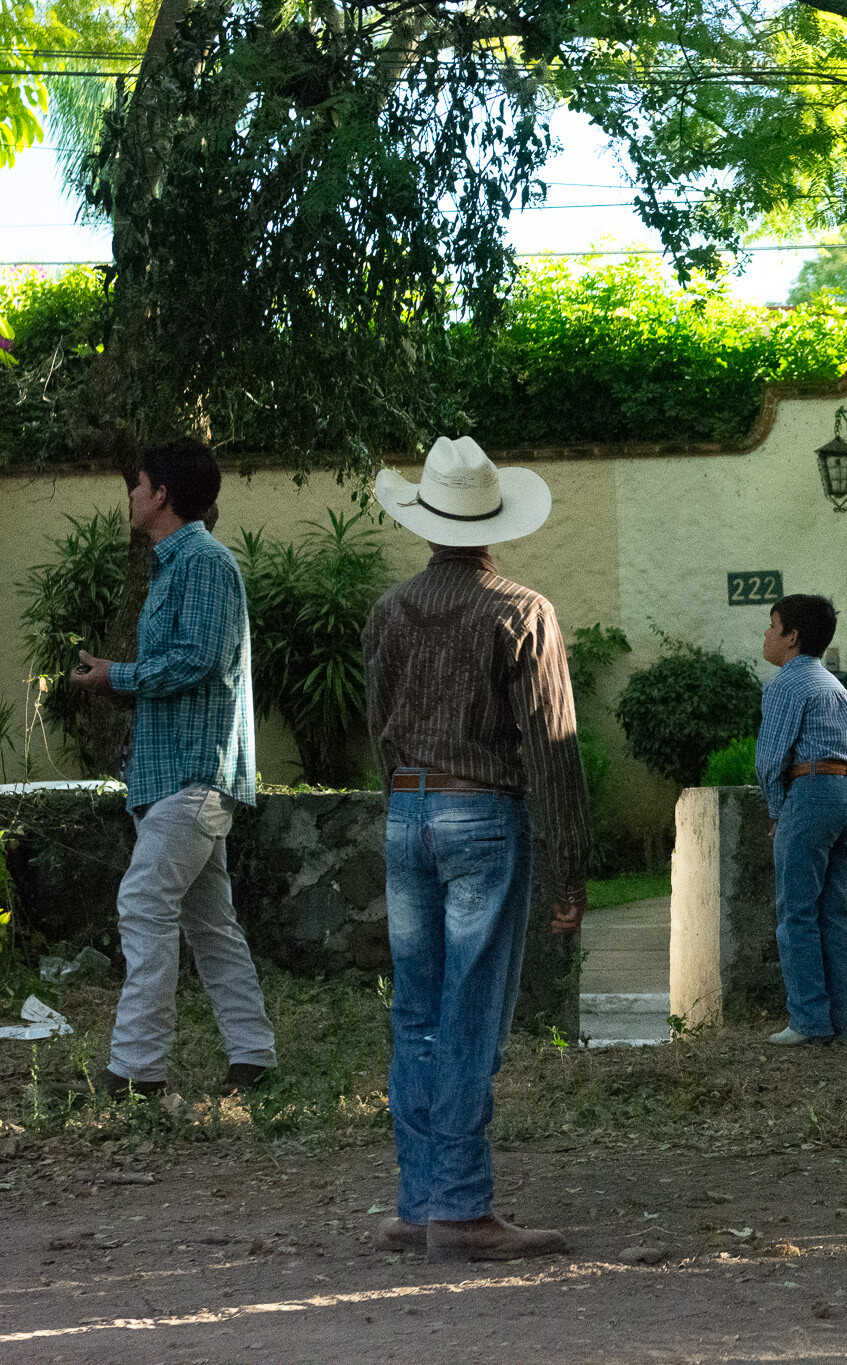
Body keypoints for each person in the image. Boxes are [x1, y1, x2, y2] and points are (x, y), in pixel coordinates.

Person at [362, 436, 589, 1261]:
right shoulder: (521, 611)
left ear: (427, 520)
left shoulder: (389, 610)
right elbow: (551, 749)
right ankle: (459, 1204)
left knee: (416, 1009)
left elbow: (377, 723)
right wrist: (572, 869)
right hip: (482, 817)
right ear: (493, 521)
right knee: (468, 1011)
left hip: (406, 811)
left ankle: (420, 1199)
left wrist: (405, 800)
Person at [67, 438, 278, 1100]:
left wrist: (117, 675)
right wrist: (114, 676)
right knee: (210, 923)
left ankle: (137, 1072)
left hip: (195, 775)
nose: (130, 493)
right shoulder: (173, 565)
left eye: (137, 483)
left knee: (143, 899)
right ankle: (254, 1055)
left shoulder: (206, 564)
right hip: (177, 776)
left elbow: (202, 660)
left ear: (161, 494)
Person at [755, 594, 847, 1047]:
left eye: (772, 625)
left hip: (813, 790)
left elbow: (768, 761)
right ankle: (841, 1024)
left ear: (792, 637)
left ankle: (807, 1021)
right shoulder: (836, 687)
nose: (765, 634)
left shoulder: (786, 685)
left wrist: (778, 812)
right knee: (832, 914)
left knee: (796, 911)